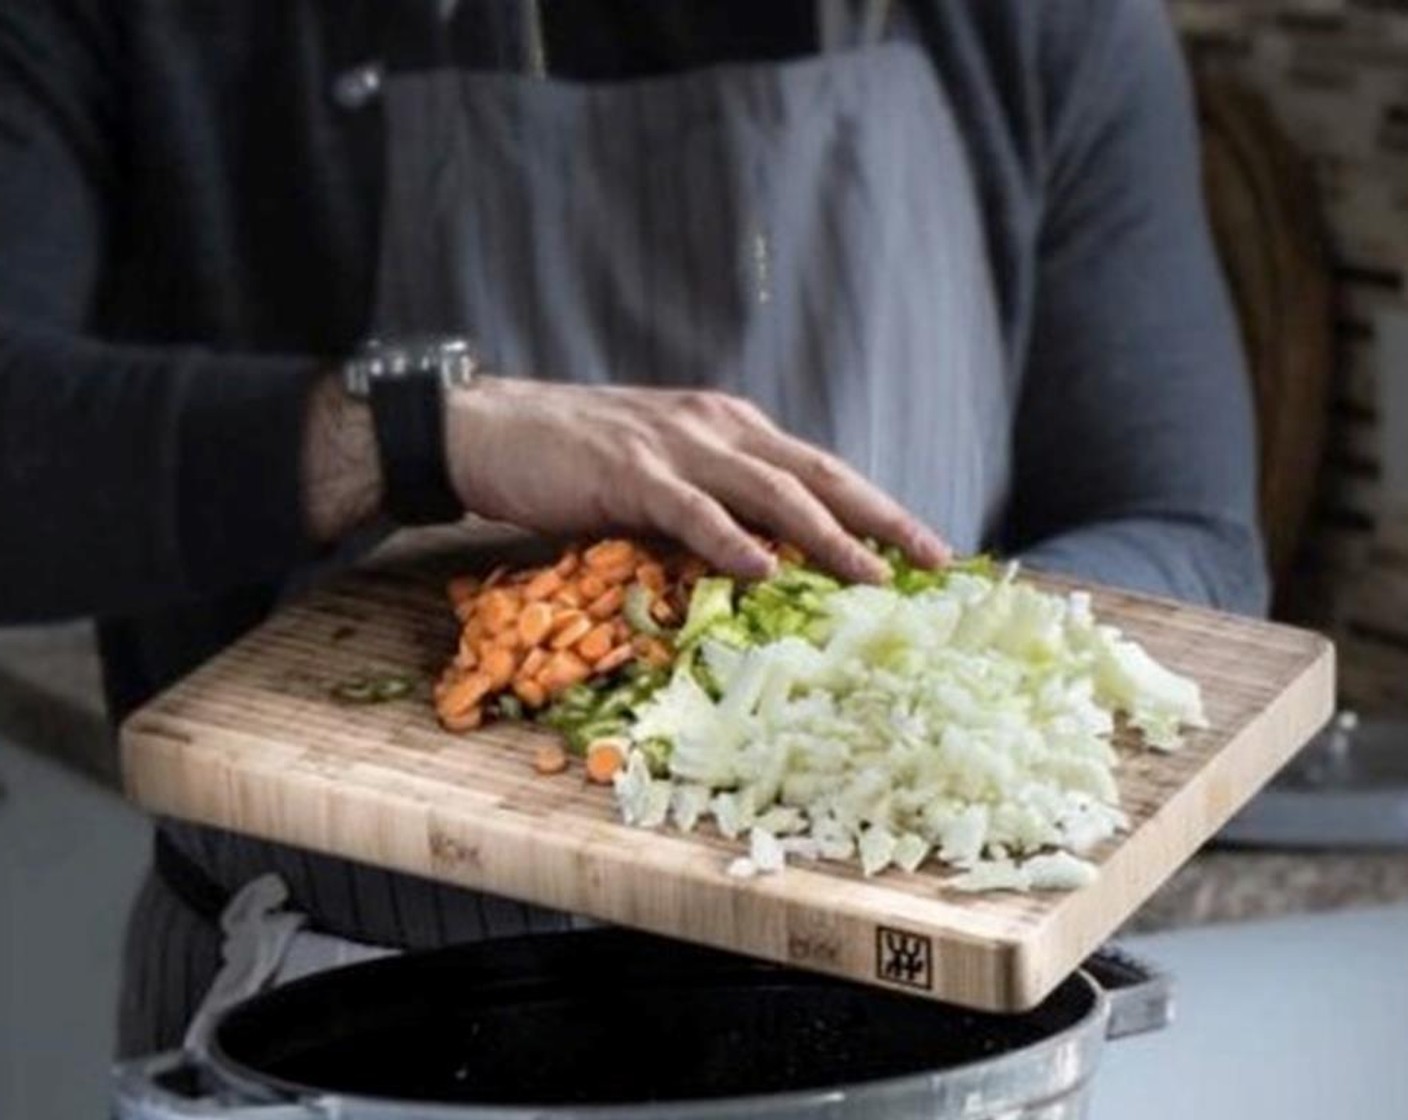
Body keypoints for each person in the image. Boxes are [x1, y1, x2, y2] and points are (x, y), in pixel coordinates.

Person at [0, 0, 1266, 1057]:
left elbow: (1184, 534)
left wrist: (893, 676)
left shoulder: (1037, 26)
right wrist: (412, 433)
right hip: (330, 1016)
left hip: (897, 1025)